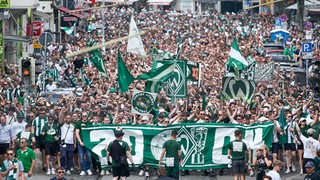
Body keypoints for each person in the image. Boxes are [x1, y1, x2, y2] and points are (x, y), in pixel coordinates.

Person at [75, 112, 93, 176]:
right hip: (81, 142)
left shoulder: (90, 123)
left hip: (87, 142)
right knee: (81, 156)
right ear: (81, 116)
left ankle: (88, 168)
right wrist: (80, 141)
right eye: (83, 116)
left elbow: (92, 133)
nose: (84, 117)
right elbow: (77, 133)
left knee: (89, 156)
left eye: (85, 116)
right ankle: (83, 169)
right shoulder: (78, 123)